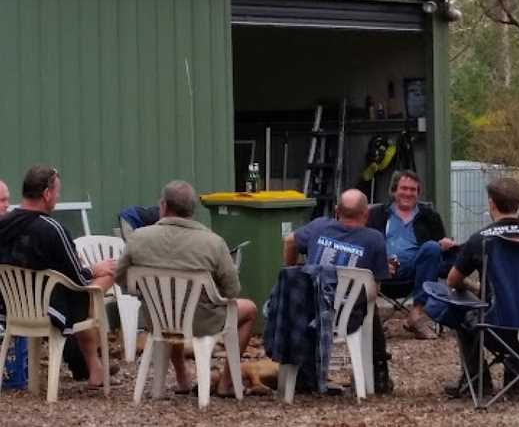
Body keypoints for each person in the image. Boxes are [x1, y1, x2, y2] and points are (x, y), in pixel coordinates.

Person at [115, 180, 257, 396]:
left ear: (163, 206)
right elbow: (232, 291)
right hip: (202, 321)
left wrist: (146, 292)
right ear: (193, 210)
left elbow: (120, 277)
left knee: (170, 304)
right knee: (249, 309)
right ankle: (227, 383)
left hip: (158, 318)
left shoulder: (138, 238)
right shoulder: (213, 242)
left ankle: (182, 377)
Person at [0, 165, 116, 388]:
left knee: (82, 288)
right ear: (46, 194)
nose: (57, 198)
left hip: (12, 309)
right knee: (105, 276)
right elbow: (79, 278)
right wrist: (95, 268)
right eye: (57, 193)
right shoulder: (52, 229)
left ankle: (94, 367)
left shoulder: (3, 225)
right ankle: (95, 367)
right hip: (51, 311)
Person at [282, 188, 393, 393]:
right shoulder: (374, 239)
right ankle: (378, 375)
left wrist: (291, 272)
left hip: (308, 313)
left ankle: (303, 376)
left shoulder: (318, 226)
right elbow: (373, 291)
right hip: (346, 317)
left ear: (336, 211)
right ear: (366, 214)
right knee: (370, 306)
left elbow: (289, 241)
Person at [442, 177, 519, 397]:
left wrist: (476, 288)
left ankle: (478, 380)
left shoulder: (480, 239)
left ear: (492, 204)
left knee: (460, 309)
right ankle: (513, 380)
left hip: (495, 323)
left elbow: (452, 281)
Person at [367, 170, 457, 339]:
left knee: (431, 247)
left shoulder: (429, 216)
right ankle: (372, 323)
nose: (408, 193)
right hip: (382, 273)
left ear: (418, 192)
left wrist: (444, 244)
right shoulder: (377, 215)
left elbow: (440, 254)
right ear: (394, 190)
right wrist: (379, 263)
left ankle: (415, 316)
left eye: (412, 189)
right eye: (404, 188)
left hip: (418, 273)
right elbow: (364, 245)